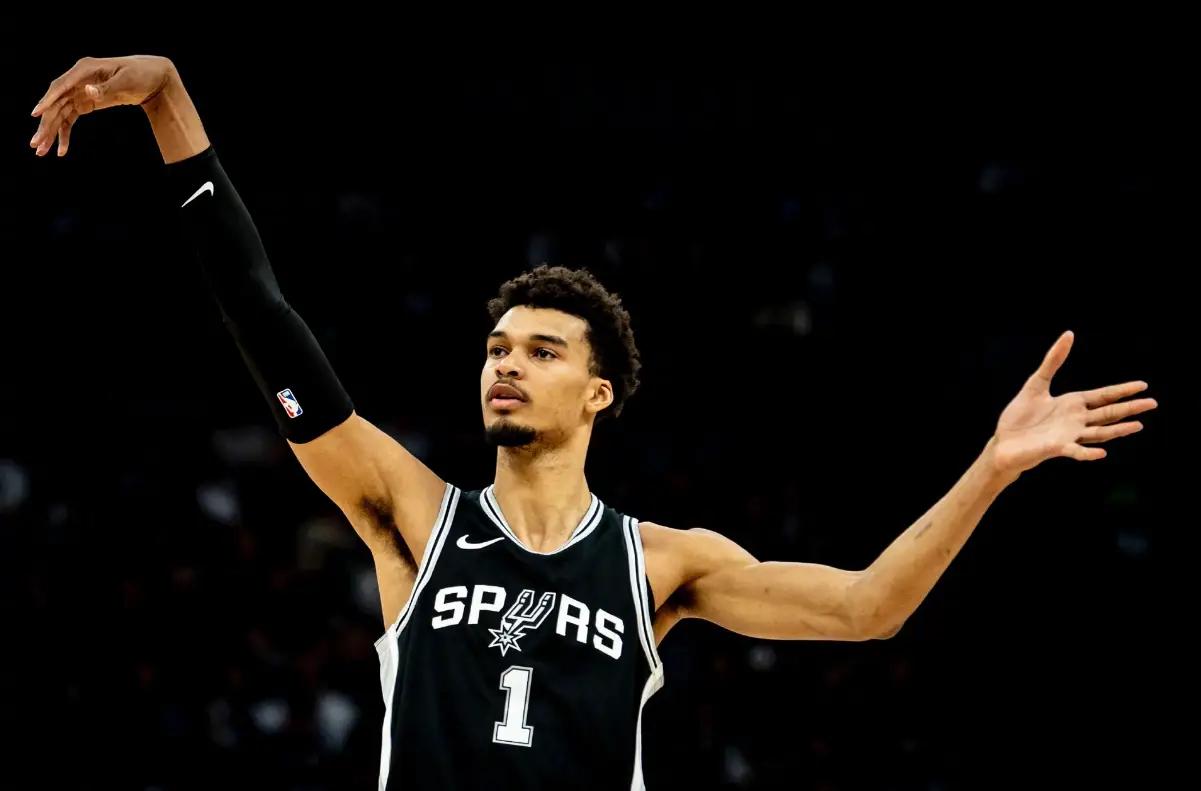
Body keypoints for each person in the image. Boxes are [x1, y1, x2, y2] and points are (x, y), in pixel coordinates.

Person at [29, 55, 1158, 791]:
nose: (505, 365)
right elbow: (264, 317)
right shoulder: (415, 514)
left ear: (597, 392)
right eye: (495, 347)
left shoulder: (660, 562)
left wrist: (991, 465)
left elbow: (868, 607)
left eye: (540, 350)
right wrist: (171, 106)